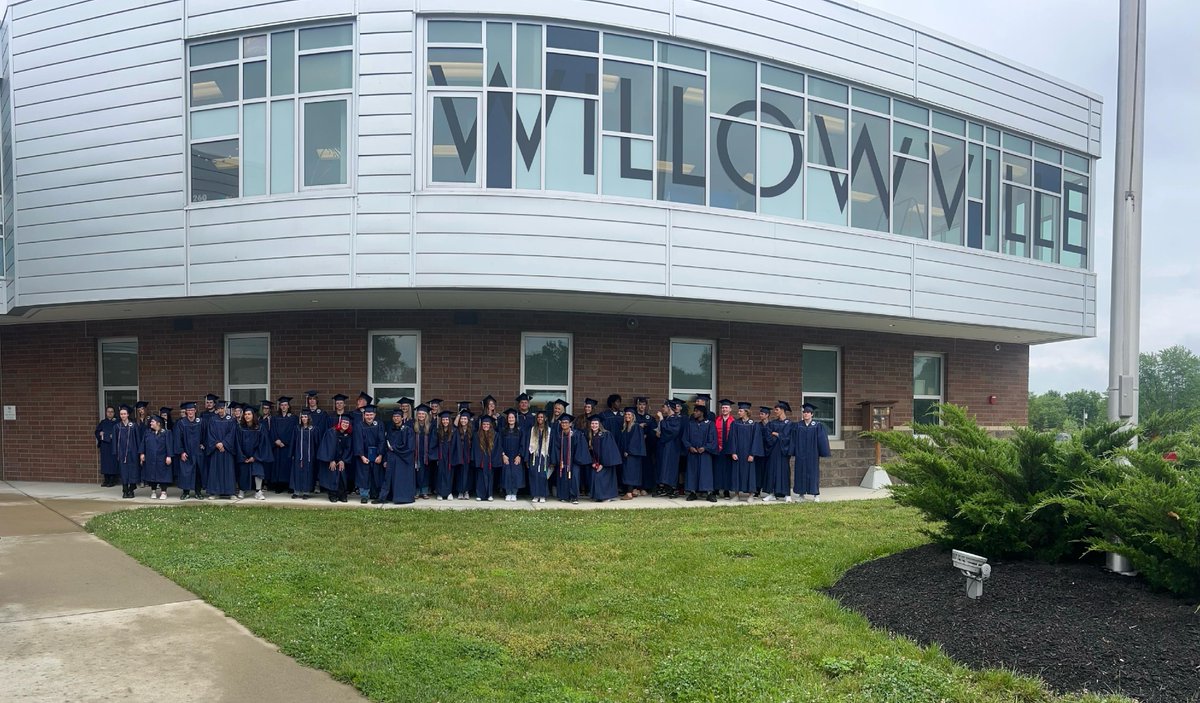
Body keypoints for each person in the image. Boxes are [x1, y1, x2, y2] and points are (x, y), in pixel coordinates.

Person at [792, 402, 831, 501]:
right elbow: (793, 440)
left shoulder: (817, 426)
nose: (806, 414)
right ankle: (801, 495)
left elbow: (822, 440)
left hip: (813, 454)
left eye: (808, 412)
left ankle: (815, 494)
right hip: (800, 454)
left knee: (813, 473)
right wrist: (793, 451)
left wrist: (823, 452)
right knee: (800, 473)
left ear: (812, 414)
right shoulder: (798, 425)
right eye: (804, 412)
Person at [682, 403, 717, 502]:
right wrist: (689, 447)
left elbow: (713, 440)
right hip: (693, 453)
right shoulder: (690, 424)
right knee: (692, 472)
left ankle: (709, 493)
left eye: (696, 411)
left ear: (702, 413)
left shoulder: (710, 424)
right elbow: (685, 438)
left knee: (706, 473)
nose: (694, 413)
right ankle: (692, 493)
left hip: (705, 454)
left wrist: (705, 448)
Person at [728, 402, 764, 501]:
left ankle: (751, 495)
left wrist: (752, 454)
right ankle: (736, 495)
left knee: (750, 474)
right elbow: (732, 439)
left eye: (740, 411)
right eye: (739, 410)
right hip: (738, 454)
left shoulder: (754, 425)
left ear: (746, 412)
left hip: (749, 454)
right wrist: (733, 452)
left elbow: (756, 440)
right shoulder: (735, 423)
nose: (738, 412)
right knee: (736, 473)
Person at [236, 406, 272, 500]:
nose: (247, 416)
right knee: (243, 472)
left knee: (258, 470)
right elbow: (237, 443)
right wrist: (243, 456)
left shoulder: (260, 427)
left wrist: (255, 457)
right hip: (244, 456)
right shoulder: (240, 427)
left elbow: (263, 443)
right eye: (245, 414)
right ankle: (242, 490)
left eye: (249, 414)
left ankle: (258, 491)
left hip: (256, 455)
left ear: (253, 415)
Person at [203, 400, 237, 499]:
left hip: (227, 450)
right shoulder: (213, 419)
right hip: (216, 450)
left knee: (228, 471)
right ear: (216, 410)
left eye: (222, 408)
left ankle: (230, 492)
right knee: (215, 471)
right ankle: (215, 492)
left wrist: (224, 444)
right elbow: (210, 434)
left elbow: (232, 434)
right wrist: (217, 443)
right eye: (219, 409)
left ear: (225, 408)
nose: (221, 410)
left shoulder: (231, 419)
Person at [382, 407, 415, 505]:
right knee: (390, 479)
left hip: (404, 460)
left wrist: (395, 448)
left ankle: (403, 498)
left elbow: (410, 447)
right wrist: (385, 459)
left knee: (401, 479)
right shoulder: (390, 430)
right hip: (392, 458)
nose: (396, 418)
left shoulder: (408, 430)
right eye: (394, 416)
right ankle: (390, 497)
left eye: (398, 416)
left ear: (402, 418)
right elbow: (386, 445)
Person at [549, 414, 586, 504]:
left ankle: (574, 497)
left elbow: (580, 448)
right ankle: (564, 496)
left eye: (566, 422)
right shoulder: (558, 435)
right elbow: (555, 448)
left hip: (574, 461)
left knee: (574, 477)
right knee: (563, 477)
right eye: (562, 423)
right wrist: (557, 460)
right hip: (562, 461)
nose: (564, 424)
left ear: (570, 424)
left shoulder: (576, 434)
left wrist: (576, 460)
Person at [761, 401, 793, 502]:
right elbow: (768, 435)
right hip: (773, 451)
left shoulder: (789, 424)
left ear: (783, 410)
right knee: (772, 471)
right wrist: (777, 436)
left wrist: (778, 435)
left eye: (777, 409)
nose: (775, 411)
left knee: (784, 472)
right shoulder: (772, 423)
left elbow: (788, 438)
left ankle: (787, 494)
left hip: (783, 452)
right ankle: (771, 493)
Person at [353, 404, 385, 504]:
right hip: (363, 454)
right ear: (364, 415)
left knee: (376, 474)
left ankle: (375, 493)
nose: (369, 417)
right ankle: (364, 495)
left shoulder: (379, 424)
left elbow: (382, 440)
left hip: (376, 455)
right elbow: (358, 441)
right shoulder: (359, 425)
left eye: (371, 414)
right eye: (367, 415)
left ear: (374, 415)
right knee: (364, 475)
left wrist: (380, 455)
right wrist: (362, 456)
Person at [586, 415, 622, 502]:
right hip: (597, 462)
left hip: (607, 462)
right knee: (595, 476)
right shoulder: (591, 436)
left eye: (596, 423)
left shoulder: (606, 434)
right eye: (592, 423)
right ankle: (598, 497)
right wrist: (594, 462)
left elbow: (608, 451)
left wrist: (602, 464)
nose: (594, 425)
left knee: (601, 477)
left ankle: (606, 496)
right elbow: (591, 452)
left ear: (599, 425)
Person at [318, 415, 353, 503]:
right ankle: (332, 495)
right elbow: (328, 446)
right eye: (344, 422)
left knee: (342, 477)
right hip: (332, 459)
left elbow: (348, 448)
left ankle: (342, 495)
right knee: (332, 476)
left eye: (347, 423)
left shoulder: (348, 435)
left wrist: (343, 460)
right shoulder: (331, 432)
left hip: (341, 460)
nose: (345, 424)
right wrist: (331, 459)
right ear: (340, 423)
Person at [173, 401, 203, 500]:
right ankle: (185, 492)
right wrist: (181, 452)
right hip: (186, 452)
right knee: (186, 473)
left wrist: (203, 444)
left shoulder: (200, 422)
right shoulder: (181, 423)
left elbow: (205, 435)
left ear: (195, 411)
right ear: (186, 411)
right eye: (188, 410)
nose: (190, 412)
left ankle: (198, 492)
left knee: (198, 473)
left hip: (198, 452)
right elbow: (178, 439)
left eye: (192, 410)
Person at [140, 415, 173, 500]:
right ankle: (153, 491)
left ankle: (163, 492)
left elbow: (169, 445)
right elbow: (143, 443)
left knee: (163, 475)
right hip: (150, 457)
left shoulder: (166, 433)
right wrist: (142, 453)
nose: (150, 423)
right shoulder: (147, 433)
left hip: (162, 458)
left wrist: (169, 456)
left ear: (158, 423)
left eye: (152, 422)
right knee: (152, 474)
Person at [616, 407, 646, 500]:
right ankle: (633, 491)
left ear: (633, 416)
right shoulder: (625, 428)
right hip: (628, 455)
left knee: (629, 473)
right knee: (630, 472)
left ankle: (629, 493)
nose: (627, 416)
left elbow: (635, 441)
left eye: (629, 414)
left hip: (632, 455)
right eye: (626, 414)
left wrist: (628, 451)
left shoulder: (636, 427)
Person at [654, 400, 683, 497]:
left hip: (672, 447)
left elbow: (671, 432)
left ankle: (673, 489)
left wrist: (661, 419)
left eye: (664, 407)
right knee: (664, 466)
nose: (662, 409)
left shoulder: (675, 419)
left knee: (671, 467)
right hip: (665, 447)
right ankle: (665, 488)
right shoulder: (668, 419)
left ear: (669, 407)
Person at [271, 396, 298, 493]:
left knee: (288, 465)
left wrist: (285, 442)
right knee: (278, 466)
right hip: (277, 446)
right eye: (282, 405)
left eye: (285, 405)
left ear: (288, 406)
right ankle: (279, 485)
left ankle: (289, 485)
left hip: (288, 447)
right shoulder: (275, 418)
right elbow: (272, 430)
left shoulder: (294, 418)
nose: (283, 407)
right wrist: (276, 440)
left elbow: (293, 432)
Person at [290, 409, 319, 500]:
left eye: (305, 417)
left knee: (308, 472)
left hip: (310, 455)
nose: (304, 418)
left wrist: (317, 455)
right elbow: (293, 442)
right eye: (302, 417)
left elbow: (317, 443)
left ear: (309, 418)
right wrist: (292, 453)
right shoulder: (297, 428)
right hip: (298, 454)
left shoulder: (314, 429)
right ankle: (296, 491)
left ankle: (306, 492)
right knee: (297, 472)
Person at [113, 405, 140, 499]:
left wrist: (139, 452)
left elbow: (138, 440)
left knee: (133, 471)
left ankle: (131, 489)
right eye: (121, 414)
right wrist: (115, 452)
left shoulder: (133, 426)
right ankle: (125, 490)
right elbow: (114, 441)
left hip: (132, 452)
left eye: (124, 414)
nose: (123, 415)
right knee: (124, 472)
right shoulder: (117, 426)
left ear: (128, 414)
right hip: (121, 452)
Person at [473, 415, 501, 501]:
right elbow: (475, 448)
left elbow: (497, 448)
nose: (485, 426)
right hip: (481, 460)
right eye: (484, 424)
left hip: (490, 460)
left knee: (490, 477)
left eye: (487, 424)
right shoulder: (477, 435)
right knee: (480, 477)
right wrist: (478, 460)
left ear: (490, 425)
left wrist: (494, 459)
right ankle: (480, 495)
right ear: (481, 425)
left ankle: (489, 495)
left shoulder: (495, 435)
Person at [525, 410, 552, 503]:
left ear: (545, 418)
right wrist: (527, 458)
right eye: (538, 417)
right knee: (534, 475)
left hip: (544, 455)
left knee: (542, 476)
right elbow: (528, 444)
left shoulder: (549, 430)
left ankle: (543, 495)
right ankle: (535, 495)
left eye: (542, 417)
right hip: (534, 455)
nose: (540, 419)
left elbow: (551, 445)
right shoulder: (533, 429)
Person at [412, 404, 437, 499]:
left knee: (426, 472)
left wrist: (430, 452)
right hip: (416, 454)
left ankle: (425, 491)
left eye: (423, 414)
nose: (421, 416)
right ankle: (417, 491)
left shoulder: (430, 426)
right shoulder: (413, 425)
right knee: (416, 472)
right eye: (419, 414)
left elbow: (434, 440)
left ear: (426, 415)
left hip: (426, 454)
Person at [498, 409, 524, 501]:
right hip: (506, 456)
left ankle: (514, 493)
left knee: (516, 474)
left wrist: (519, 455)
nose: (511, 419)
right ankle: (508, 493)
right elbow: (499, 444)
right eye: (509, 417)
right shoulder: (503, 430)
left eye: (512, 417)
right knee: (507, 474)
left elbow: (522, 444)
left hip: (516, 456)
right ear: (507, 419)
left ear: (515, 419)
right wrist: (503, 455)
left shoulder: (520, 431)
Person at [713, 399, 736, 499]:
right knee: (717, 469)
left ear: (730, 409)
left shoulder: (734, 421)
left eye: (726, 407)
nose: (724, 409)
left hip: (728, 449)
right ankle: (716, 489)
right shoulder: (716, 420)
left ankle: (726, 491)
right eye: (722, 408)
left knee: (727, 470)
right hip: (718, 448)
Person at [635, 397, 657, 497]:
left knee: (646, 467)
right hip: (635, 447)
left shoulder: (650, 418)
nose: (642, 406)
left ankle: (644, 487)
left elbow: (654, 431)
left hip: (646, 447)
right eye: (640, 404)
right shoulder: (633, 416)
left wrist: (647, 435)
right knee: (636, 467)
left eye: (643, 405)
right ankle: (636, 487)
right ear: (637, 405)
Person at [433, 410, 456, 500]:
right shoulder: (438, 431)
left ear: (449, 420)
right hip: (440, 456)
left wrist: (454, 456)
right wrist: (435, 456)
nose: (445, 421)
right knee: (440, 474)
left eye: (447, 419)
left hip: (450, 457)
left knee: (450, 474)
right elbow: (433, 444)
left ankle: (449, 492)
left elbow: (456, 445)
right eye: (443, 419)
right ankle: (440, 493)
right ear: (441, 421)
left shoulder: (454, 432)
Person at [450, 410, 474, 500]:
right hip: (459, 454)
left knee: (468, 473)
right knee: (460, 472)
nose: (463, 420)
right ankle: (460, 491)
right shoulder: (456, 430)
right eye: (461, 419)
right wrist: (457, 417)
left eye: (465, 419)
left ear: (468, 420)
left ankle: (466, 491)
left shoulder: (472, 431)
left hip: (468, 455)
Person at [95, 405, 118, 487]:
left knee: (112, 463)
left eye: (112, 412)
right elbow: (97, 432)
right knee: (105, 463)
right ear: (106, 413)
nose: (110, 413)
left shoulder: (117, 422)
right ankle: (106, 479)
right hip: (105, 446)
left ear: (114, 413)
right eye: (108, 412)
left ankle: (112, 480)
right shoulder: (103, 422)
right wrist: (100, 434)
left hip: (113, 445)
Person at [755, 406, 772, 496]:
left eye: (762, 414)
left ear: (767, 415)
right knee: (759, 471)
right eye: (760, 413)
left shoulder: (772, 425)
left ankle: (767, 490)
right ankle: (757, 490)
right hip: (759, 452)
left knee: (768, 471)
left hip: (769, 451)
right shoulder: (757, 425)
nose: (760, 415)